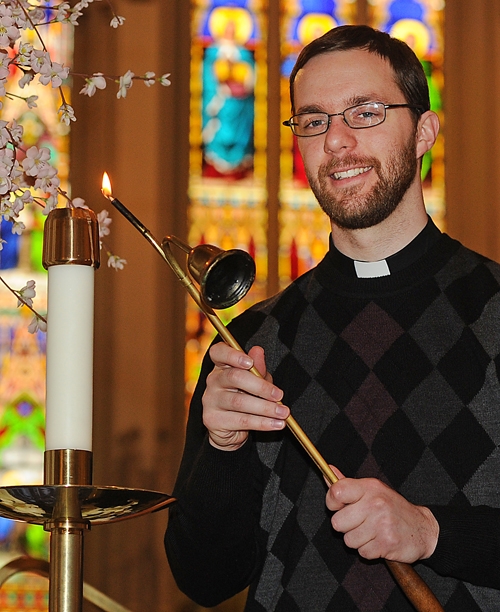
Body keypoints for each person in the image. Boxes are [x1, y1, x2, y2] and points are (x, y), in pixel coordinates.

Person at [165, 25, 500, 611]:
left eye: (365, 113)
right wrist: (223, 447)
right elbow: (202, 578)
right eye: (314, 121)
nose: (337, 142)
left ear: (424, 131)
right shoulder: (252, 343)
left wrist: (432, 532)